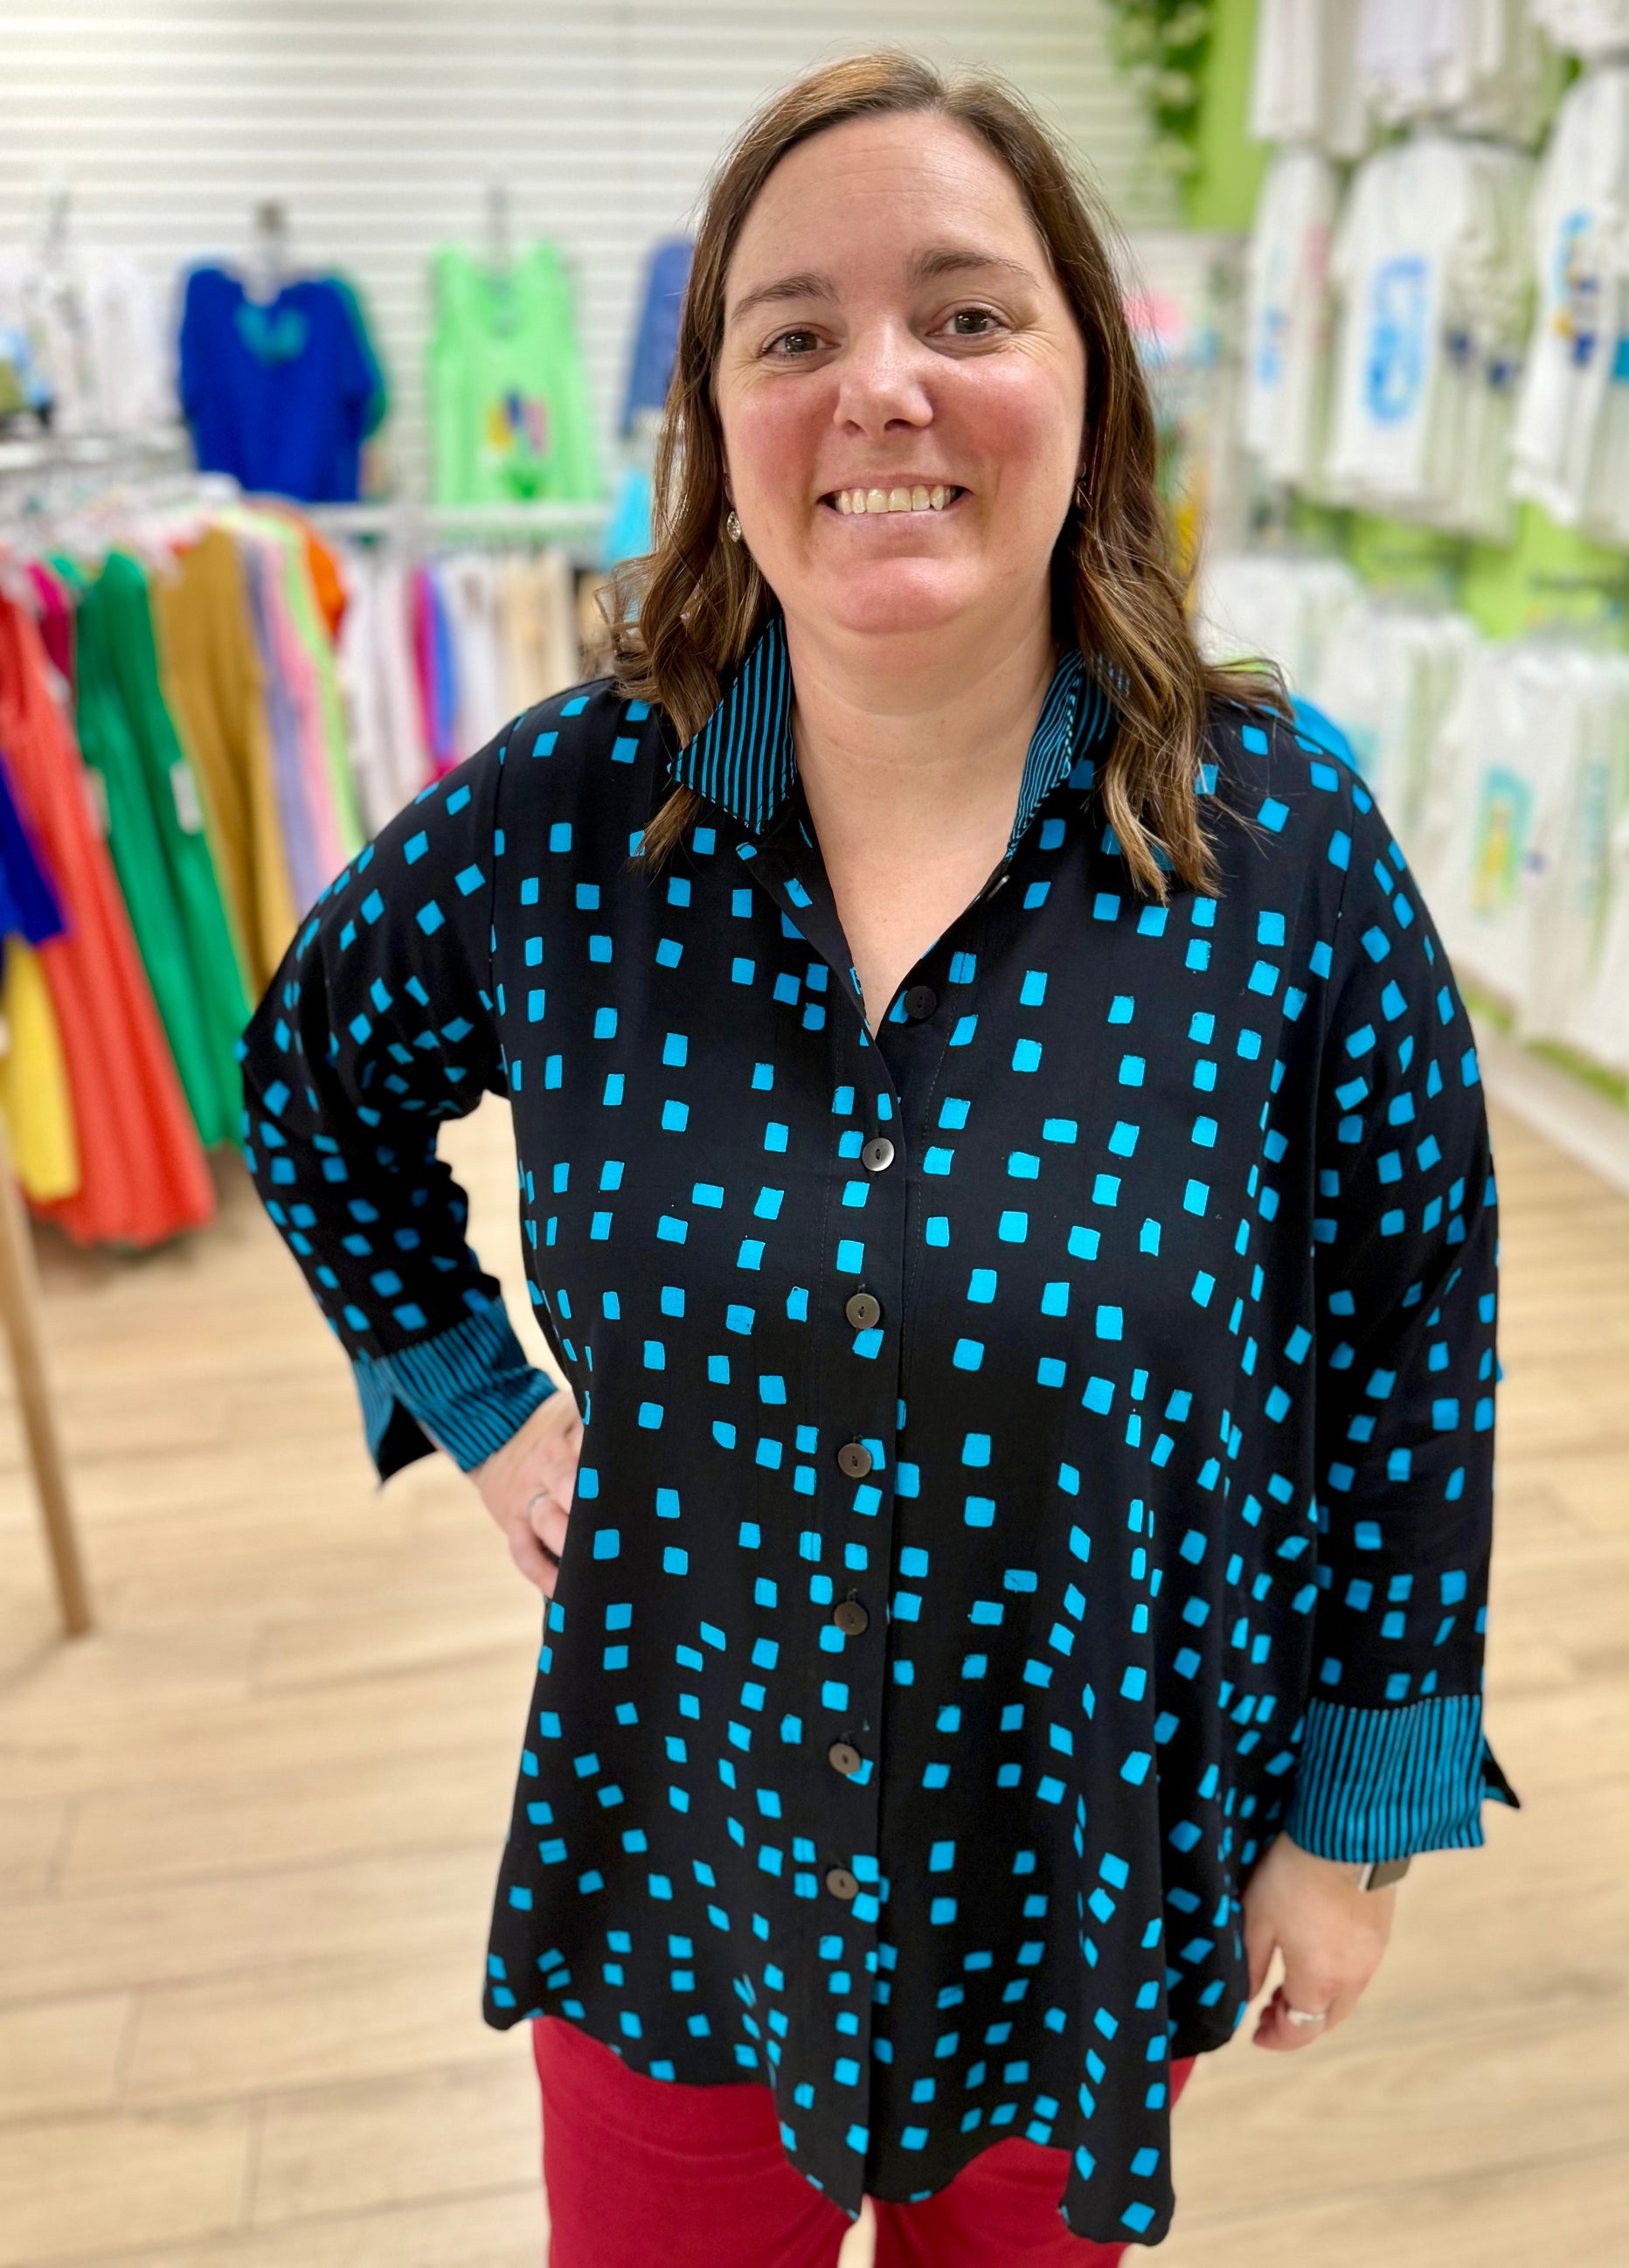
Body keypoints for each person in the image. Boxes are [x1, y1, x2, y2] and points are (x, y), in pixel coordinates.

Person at [241, 49, 1516, 2265]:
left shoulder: (1273, 830)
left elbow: (1413, 1321)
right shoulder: (567, 819)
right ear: (718, 421)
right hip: (682, 1850)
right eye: (795, 334)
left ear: (1087, 379)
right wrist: (487, 1403)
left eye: (965, 312)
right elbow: (311, 1082)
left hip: (1085, 1861)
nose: (880, 389)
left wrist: (1352, 1818)